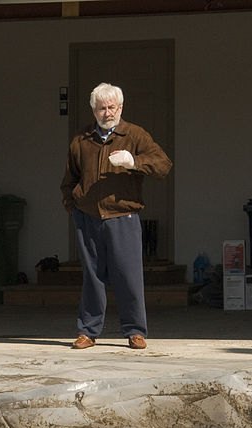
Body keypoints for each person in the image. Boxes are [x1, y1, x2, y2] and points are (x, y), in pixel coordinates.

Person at [60, 82, 172, 350]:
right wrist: (72, 204)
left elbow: (163, 165)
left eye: (112, 107)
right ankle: (88, 331)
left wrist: (134, 162)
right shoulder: (81, 140)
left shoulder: (134, 135)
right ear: (93, 110)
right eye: (101, 108)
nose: (107, 112)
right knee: (92, 276)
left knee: (128, 275)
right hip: (87, 217)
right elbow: (69, 178)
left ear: (120, 108)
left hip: (123, 216)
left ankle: (135, 331)